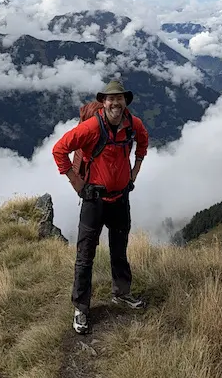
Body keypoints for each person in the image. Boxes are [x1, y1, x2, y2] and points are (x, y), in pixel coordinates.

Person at [52, 80, 150, 335]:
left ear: (125, 101)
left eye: (119, 98)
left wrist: (134, 173)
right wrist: (77, 183)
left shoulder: (133, 124)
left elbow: (143, 142)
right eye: (110, 99)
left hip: (120, 199)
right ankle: (81, 308)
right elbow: (59, 150)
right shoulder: (92, 127)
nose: (115, 103)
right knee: (85, 256)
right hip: (94, 200)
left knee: (119, 251)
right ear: (103, 102)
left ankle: (122, 293)